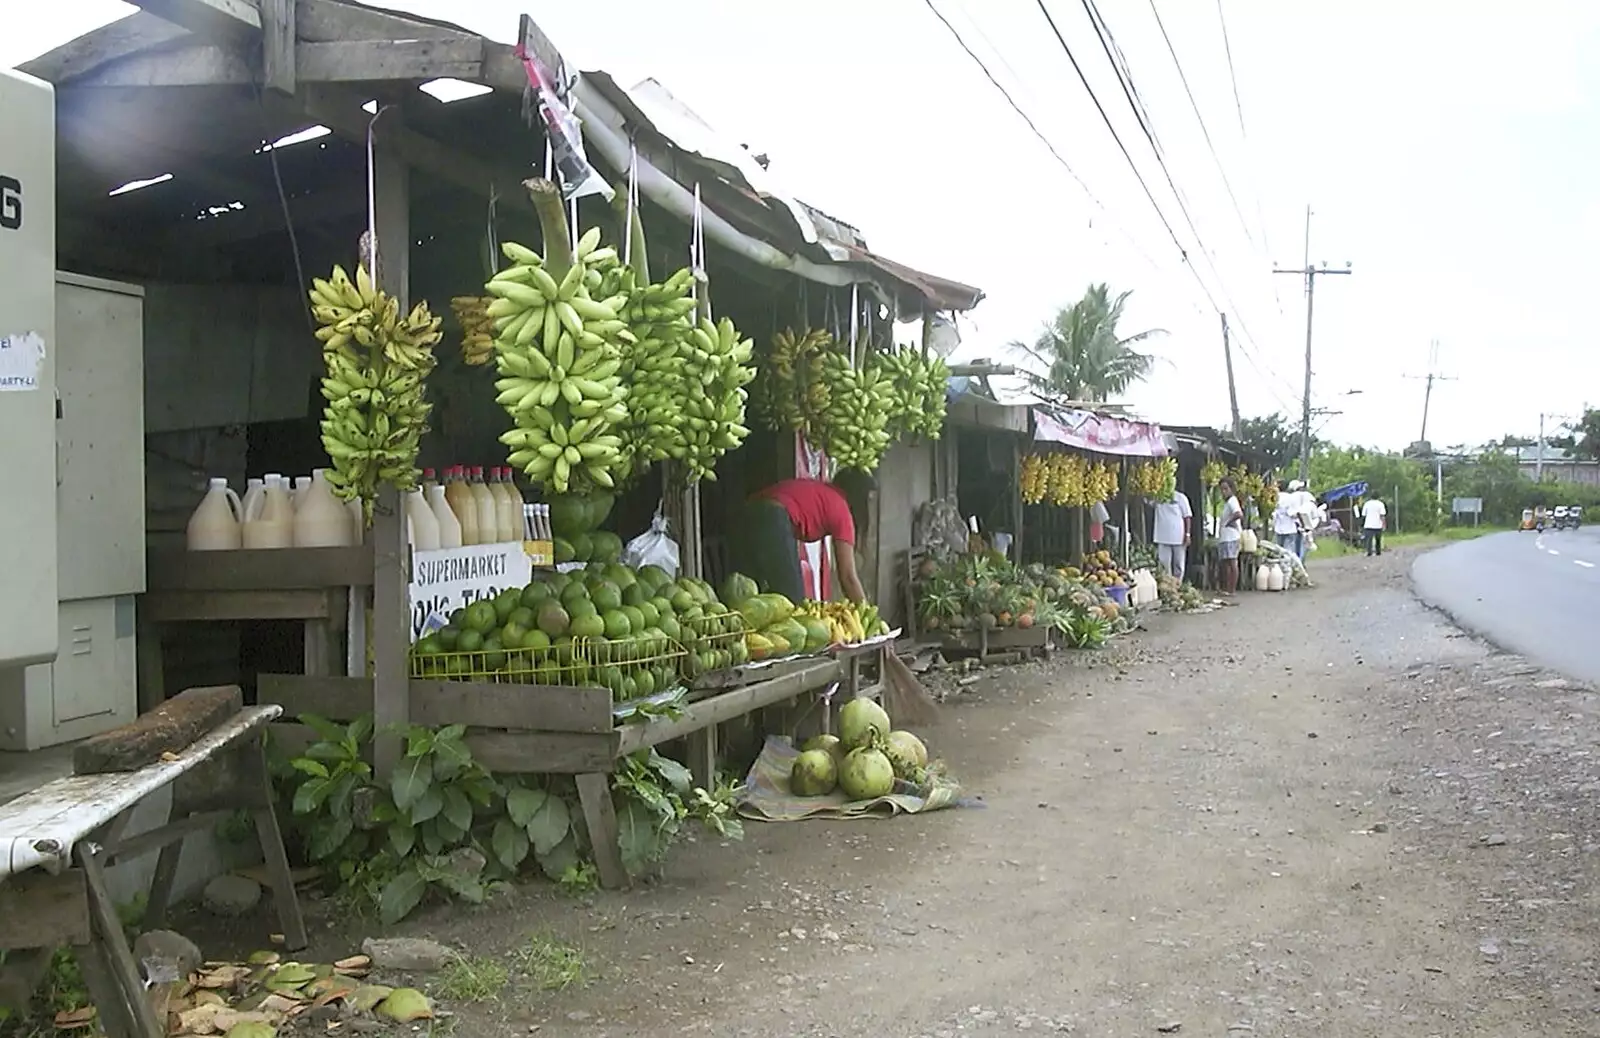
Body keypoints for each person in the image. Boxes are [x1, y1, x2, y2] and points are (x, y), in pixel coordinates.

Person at [731, 473, 873, 603]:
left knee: (749, 596)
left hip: (745, 515)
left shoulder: (821, 491)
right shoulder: (841, 509)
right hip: (772, 519)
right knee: (792, 600)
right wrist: (866, 613)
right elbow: (848, 577)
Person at [1150, 487, 1192, 581]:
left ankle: (1178, 585)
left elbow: (1187, 516)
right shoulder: (1157, 497)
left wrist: (1187, 534)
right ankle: (1167, 585)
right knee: (1164, 564)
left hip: (1178, 536)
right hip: (1162, 536)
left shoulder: (1180, 497)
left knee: (1179, 565)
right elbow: (1146, 500)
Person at [1216, 476, 1244, 593]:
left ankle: (1231, 589)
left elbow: (1238, 514)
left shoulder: (1233, 500)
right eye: (1222, 489)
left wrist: (1228, 522)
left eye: (1226, 489)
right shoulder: (1228, 502)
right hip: (1225, 537)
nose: (1223, 492)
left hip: (1231, 537)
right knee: (1226, 563)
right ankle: (1226, 588)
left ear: (1231, 489)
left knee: (1231, 562)